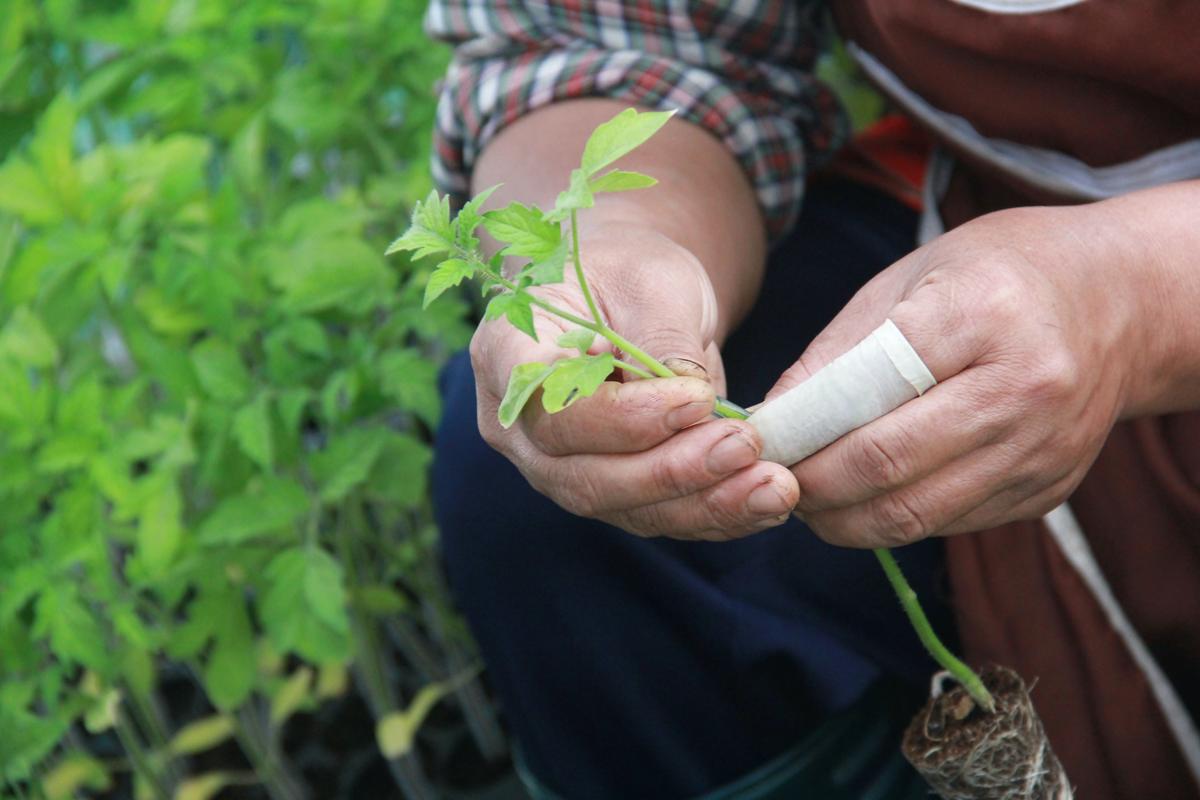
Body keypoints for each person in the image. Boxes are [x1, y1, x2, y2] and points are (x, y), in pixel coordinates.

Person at [425, 2, 1200, 798]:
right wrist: (622, 238)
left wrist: (1140, 300)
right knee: (544, 509)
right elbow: (614, 42)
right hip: (999, 203)